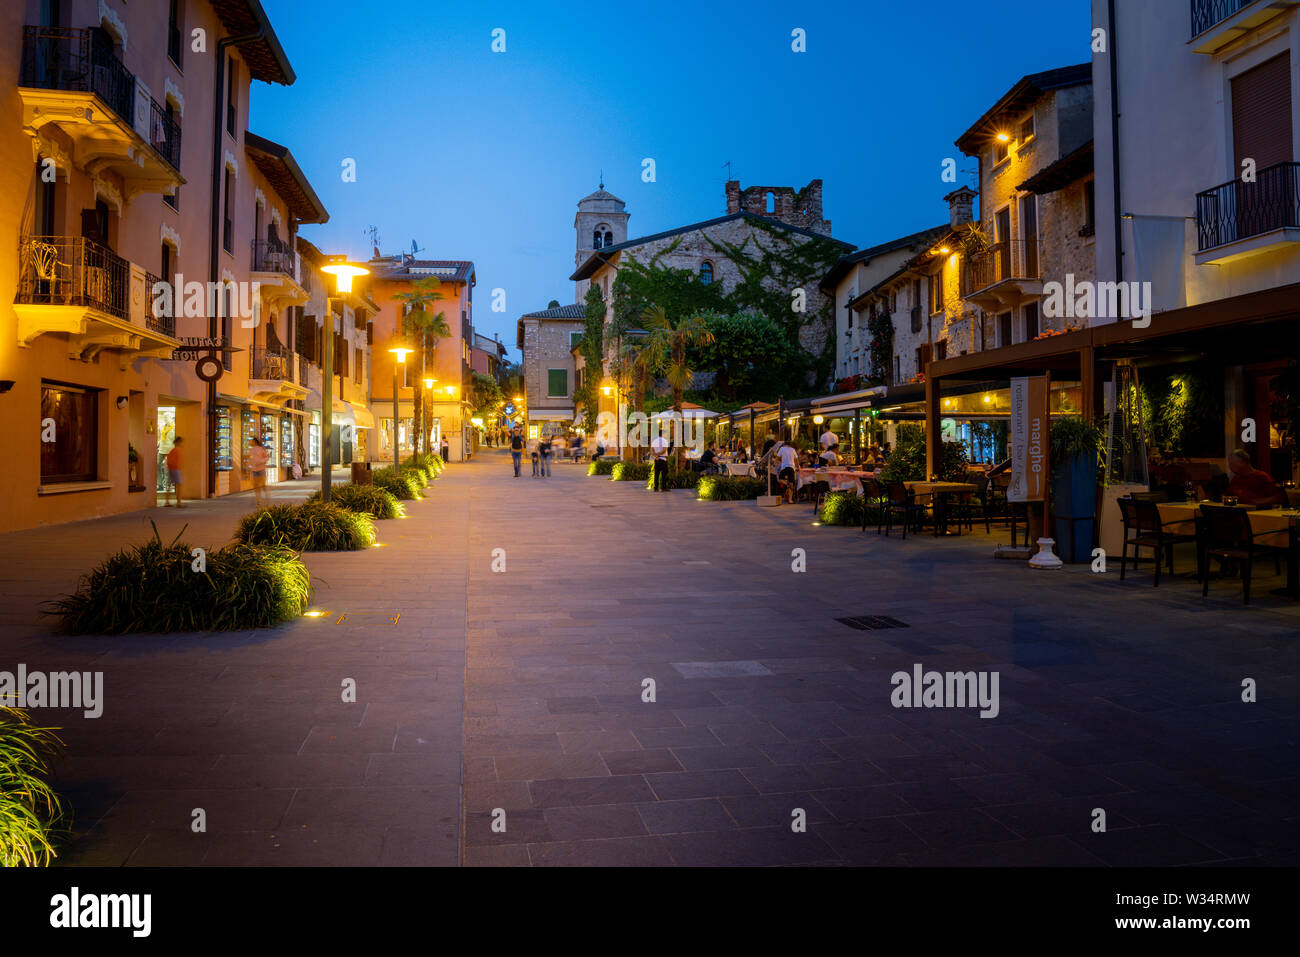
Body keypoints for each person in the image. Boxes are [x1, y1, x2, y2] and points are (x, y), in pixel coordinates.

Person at [246, 436, 270, 508]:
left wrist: (261, 461)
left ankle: (267, 498)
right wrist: (249, 466)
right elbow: (250, 459)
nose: (251, 442)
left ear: (255, 442)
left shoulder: (261, 449)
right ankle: (259, 500)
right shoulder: (251, 450)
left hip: (261, 468)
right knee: (256, 486)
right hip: (254, 470)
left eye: (252, 441)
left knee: (263, 485)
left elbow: (267, 457)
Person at [776, 439, 800, 503]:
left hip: (784, 467)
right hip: (791, 468)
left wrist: (780, 461)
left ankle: (787, 484)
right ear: (790, 445)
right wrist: (798, 466)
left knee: (780, 479)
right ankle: (790, 500)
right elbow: (796, 459)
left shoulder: (781, 449)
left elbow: (777, 458)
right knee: (791, 483)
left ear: (784, 444)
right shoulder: (793, 450)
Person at [164, 437, 185, 508]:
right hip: (175, 469)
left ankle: (167, 501)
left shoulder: (172, 450)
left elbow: (169, 461)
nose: (182, 443)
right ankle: (179, 502)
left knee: (169, 485)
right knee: (179, 485)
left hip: (172, 469)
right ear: (178, 442)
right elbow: (175, 461)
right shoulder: (176, 450)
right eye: (181, 442)